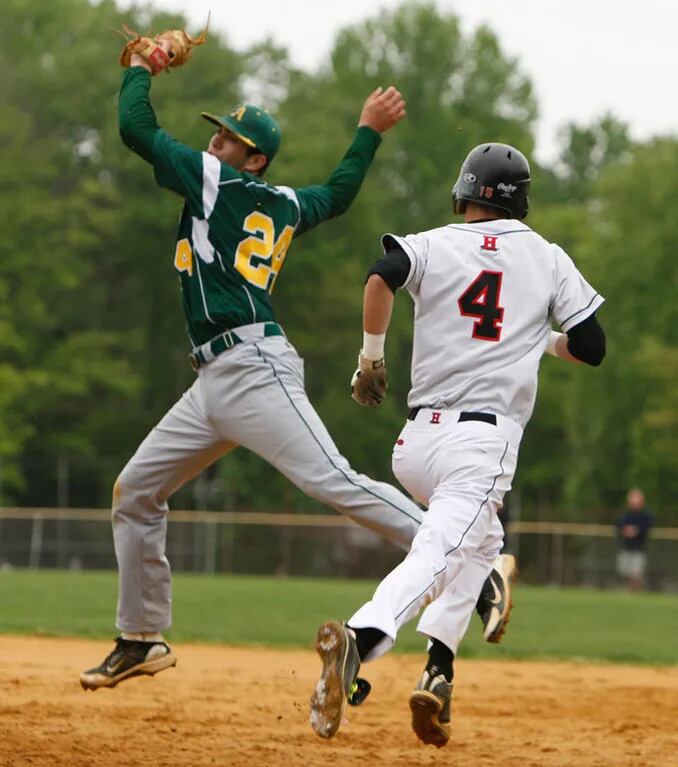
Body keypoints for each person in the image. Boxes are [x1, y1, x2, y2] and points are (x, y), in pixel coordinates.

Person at [80, 38, 511, 690]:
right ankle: (141, 636)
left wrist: (143, 68)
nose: (216, 143)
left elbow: (134, 128)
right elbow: (335, 195)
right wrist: (366, 131)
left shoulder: (212, 179)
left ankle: (473, 561)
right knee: (135, 491)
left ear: (252, 157)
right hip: (213, 380)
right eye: (217, 136)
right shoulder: (279, 200)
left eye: (228, 138)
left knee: (337, 481)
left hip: (255, 368)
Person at [310, 142, 606, 746]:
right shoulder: (547, 258)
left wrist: (370, 356)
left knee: (480, 544)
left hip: (416, 444)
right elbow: (592, 345)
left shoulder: (432, 242)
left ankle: (439, 671)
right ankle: (362, 638)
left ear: (463, 193)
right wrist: (537, 339)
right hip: (483, 442)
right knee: (441, 550)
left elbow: (380, 276)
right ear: (521, 200)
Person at [616, 488, 653, 590]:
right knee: (626, 572)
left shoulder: (645, 515)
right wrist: (625, 531)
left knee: (636, 573)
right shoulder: (625, 514)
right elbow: (618, 527)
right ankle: (631, 590)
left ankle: (637, 590)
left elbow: (647, 528)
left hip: (638, 548)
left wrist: (636, 531)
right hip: (626, 547)